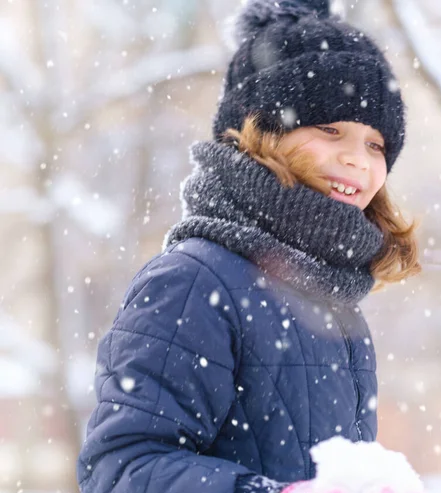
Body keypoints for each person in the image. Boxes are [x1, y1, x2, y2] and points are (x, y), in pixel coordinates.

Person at [76, 0, 421, 492]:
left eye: (377, 145)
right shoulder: (193, 282)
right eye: (330, 130)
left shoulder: (337, 304)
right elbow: (122, 468)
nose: (358, 160)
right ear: (259, 134)